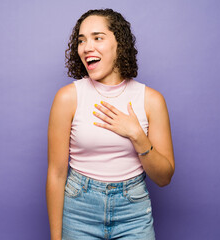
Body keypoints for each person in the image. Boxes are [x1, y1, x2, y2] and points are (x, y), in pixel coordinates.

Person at [46, 8, 175, 240]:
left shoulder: (152, 100)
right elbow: (56, 174)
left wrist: (137, 135)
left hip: (133, 212)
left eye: (98, 37)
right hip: (79, 211)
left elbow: (164, 178)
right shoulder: (67, 98)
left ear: (119, 44)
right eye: (81, 40)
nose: (87, 47)